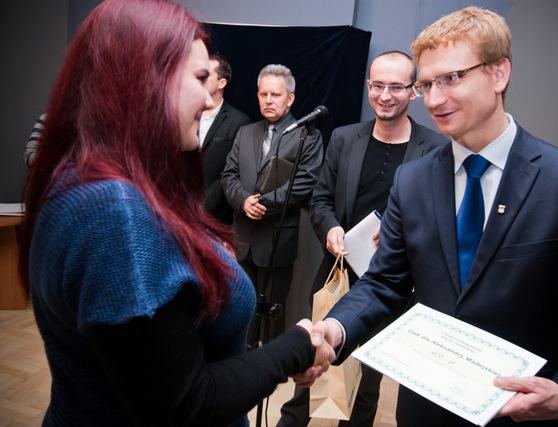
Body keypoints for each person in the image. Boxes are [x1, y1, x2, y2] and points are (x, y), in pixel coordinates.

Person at [17, 1, 332, 426]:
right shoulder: (114, 214)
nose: (208, 99)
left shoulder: (88, 179)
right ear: (145, 76)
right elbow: (185, 404)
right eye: (200, 78)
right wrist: (294, 347)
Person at [311, 7, 558, 427]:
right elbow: (385, 284)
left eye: (451, 78)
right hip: (423, 410)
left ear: (499, 74)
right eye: (427, 84)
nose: (435, 99)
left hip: (518, 414)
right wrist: (334, 330)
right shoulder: (413, 181)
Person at [278, 51, 446, 427]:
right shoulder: (343, 138)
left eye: (396, 87)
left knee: (367, 382)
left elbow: (441, 223)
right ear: (368, 86)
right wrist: (331, 228)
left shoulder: (436, 149)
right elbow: (320, 199)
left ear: (414, 91)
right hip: (336, 274)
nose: (385, 95)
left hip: (393, 285)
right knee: (313, 364)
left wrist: (404, 240)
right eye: (377, 85)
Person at [221, 64, 323, 344]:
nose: (268, 100)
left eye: (275, 95)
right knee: (241, 309)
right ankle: (243, 364)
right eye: (263, 94)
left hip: (276, 240)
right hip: (242, 240)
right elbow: (228, 175)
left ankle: (270, 368)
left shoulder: (308, 137)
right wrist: (243, 201)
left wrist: (261, 203)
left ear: (289, 99)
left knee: (274, 313)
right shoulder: (246, 132)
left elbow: (304, 183)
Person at [200, 53, 250, 225]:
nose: (201, 78)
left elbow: (230, 172)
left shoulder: (238, 122)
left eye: (206, 75)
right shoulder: (184, 113)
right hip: (176, 210)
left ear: (222, 82)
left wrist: (201, 206)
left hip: (216, 216)